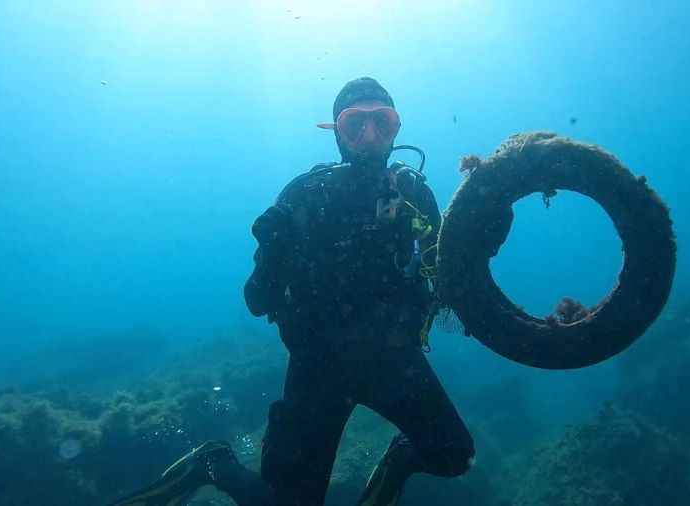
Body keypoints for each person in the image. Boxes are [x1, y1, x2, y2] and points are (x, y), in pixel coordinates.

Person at [110, 77, 475, 506]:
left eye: (382, 122)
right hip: (318, 367)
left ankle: (397, 460)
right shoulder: (305, 196)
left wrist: (488, 225)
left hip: (396, 360)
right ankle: (213, 463)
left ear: (397, 129)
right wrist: (272, 248)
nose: (369, 137)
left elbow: (452, 276)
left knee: (453, 457)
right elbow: (256, 301)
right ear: (335, 131)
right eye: (355, 124)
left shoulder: (415, 196)